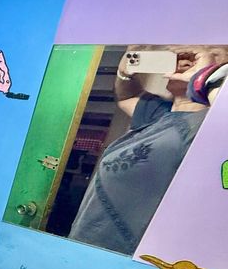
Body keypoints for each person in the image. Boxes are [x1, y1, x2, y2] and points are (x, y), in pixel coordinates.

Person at [68, 46, 227, 255]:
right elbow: (126, 97)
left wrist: (205, 78)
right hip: (84, 244)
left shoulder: (210, 126)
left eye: (212, 52)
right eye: (183, 55)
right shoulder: (159, 113)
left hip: (126, 258)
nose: (188, 58)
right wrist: (125, 72)